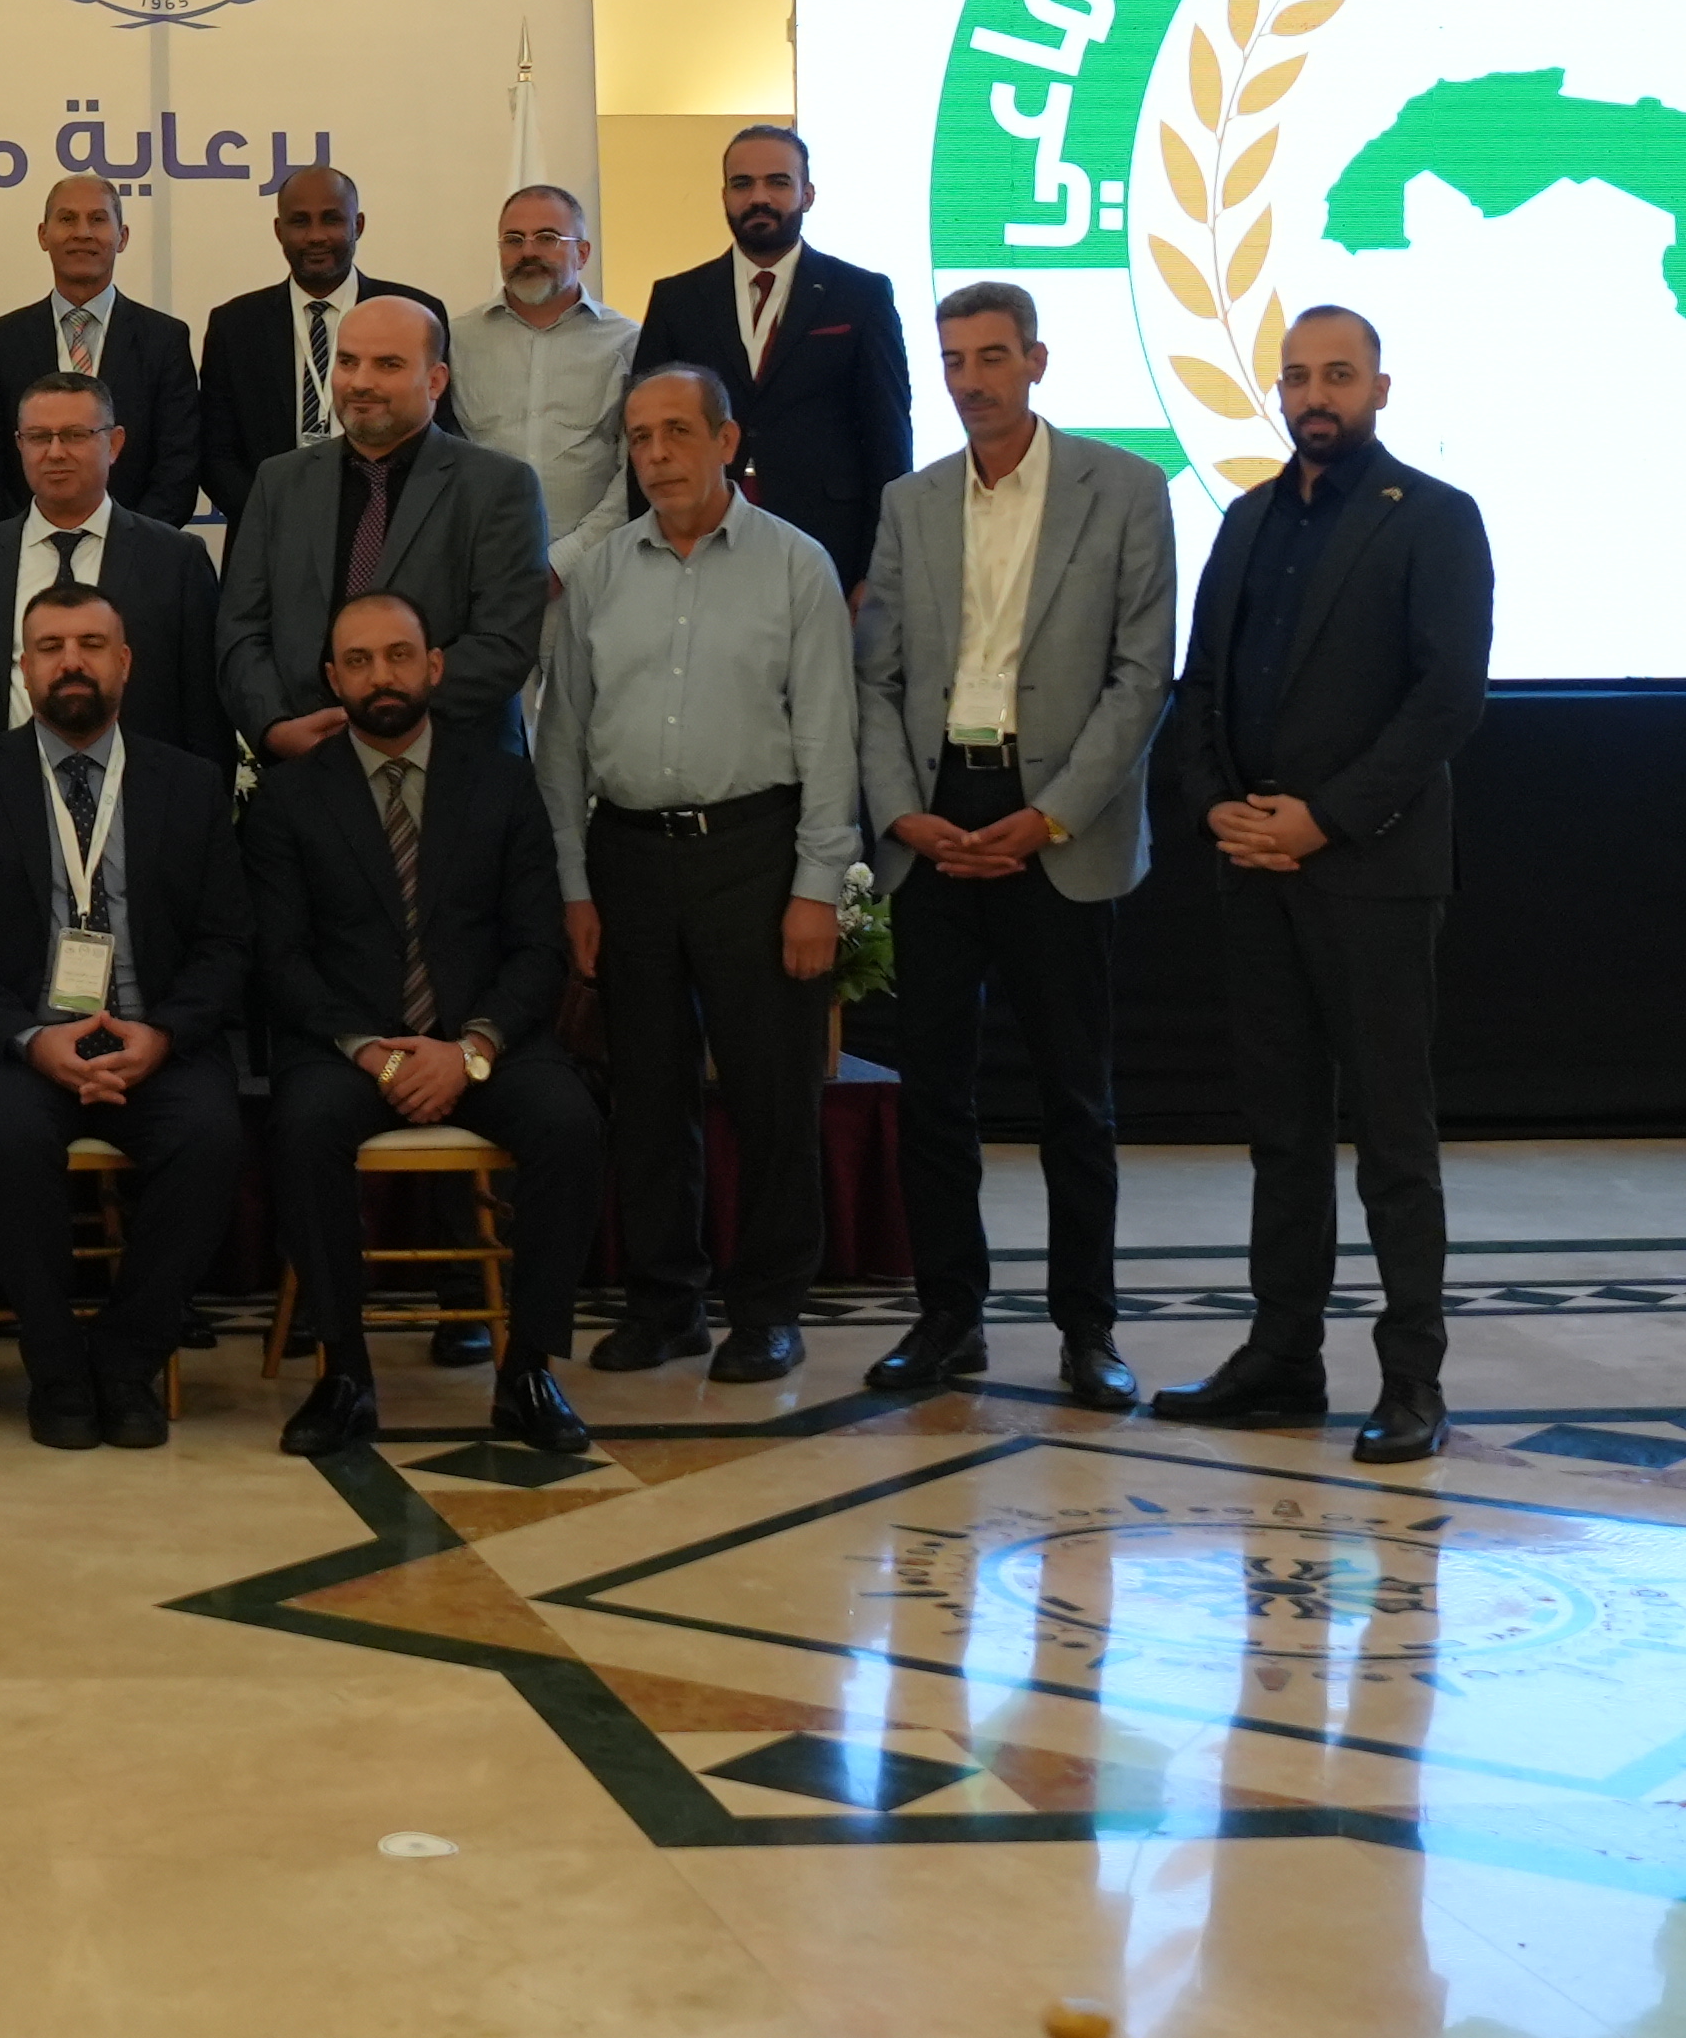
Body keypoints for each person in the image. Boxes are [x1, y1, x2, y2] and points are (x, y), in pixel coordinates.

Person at [1153, 306, 1492, 1465]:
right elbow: (1201, 685)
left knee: (1392, 1136)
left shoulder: (1435, 518)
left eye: (1338, 375)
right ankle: (1283, 1358)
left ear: (1379, 389)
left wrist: (1325, 819)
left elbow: (1446, 699)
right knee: (1283, 1134)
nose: (1315, 395)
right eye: (1297, 376)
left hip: (1373, 873)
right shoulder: (1246, 519)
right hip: (1254, 868)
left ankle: (1412, 1383)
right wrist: (1216, 808)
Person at [853, 284, 1177, 1415]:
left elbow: (1142, 675)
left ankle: (1089, 1330)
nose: (972, 381)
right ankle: (949, 1319)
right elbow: (875, 678)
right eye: (954, 361)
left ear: (1037, 361)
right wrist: (904, 813)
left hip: (1058, 824)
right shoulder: (910, 502)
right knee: (935, 1093)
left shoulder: (1125, 488)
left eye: (993, 357)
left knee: (1074, 1098)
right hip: (937, 817)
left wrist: (1050, 817)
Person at [540, 367, 861, 1389]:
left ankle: (767, 1310)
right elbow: (562, 742)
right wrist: (574, 886)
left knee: (772, 1095)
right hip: (628, 857)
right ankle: (664, 1303)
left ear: (727, 442)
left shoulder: (795, 565)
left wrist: (818, 887)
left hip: (755, 853)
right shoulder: (600, 575)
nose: (656, 455)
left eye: (677, 432)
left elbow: (830, 735)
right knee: (646, 1093)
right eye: (639, 438)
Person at [249, 589, 607, 1460]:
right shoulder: (288, 799)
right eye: (359, 661)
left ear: (434, 666)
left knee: (569, 1123)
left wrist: (471, 1050)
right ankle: (344, 1374)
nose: (382, 676)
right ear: (333, 679)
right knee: (301, 1127)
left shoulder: (503, 783)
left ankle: (528, 1372)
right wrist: (373, 1053)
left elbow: (537, 949)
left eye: (399, 655)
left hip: (484, 1042)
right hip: (347, 1046)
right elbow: (280, 959)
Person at [0, 584, 246, 1452]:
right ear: (23, 669)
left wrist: (162, 1034)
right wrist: (29, 1039)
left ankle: (126, 1363)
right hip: (11, 1042)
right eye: (50, 647)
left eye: (91, 644)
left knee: (210, 1137)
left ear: (125, 663)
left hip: (150, 1037)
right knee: (14, 1140)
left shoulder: (191, 784)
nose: (72, 663)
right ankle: (56, 1368)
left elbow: (227, 944)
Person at [216, 298, 551, 759]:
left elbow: (503, 643)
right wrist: (273, 726)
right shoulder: (279, 482)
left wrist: (374, 721)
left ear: (436, 381)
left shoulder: (499, 486)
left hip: (452, 766)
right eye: (347, 362)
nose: (360, 382)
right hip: (306, 763)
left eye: (387, 364)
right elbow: (241, 631)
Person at [629, 125, 913, 595]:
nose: (758, 197)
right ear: (724, 196)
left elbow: (888, 439)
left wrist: (876, 572)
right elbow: (641, 435)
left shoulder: (861, 296)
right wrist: (644, 561)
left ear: (808, 194)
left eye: (778, 182)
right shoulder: (677, 300)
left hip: (830, 546)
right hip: (697, 542)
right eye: (742, 184)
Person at [0, 370, 223, 767]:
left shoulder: (176, 561)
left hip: (139, 792)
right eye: (38, 437)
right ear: (19, 444)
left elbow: (206, 716)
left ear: (114, 443)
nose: (55, 453)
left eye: (74, 435)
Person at [197, 164, 445, 526]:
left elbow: (438, 431)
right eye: (300, 222)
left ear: (358, 225)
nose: (316, 236)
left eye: (331, 220)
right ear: (279, 230)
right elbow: (216, 453)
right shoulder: (235, 325)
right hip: (268, 532)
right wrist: (277, 519)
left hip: (396, 527)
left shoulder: (414, 313)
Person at [0, 175, 202, 531]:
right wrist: (17, 546)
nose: (82, 233)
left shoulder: (164, 340)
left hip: (135, 550)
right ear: (43, 234)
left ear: (122, 237)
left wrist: (128, 545)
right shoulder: (3, 340)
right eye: (67, 219)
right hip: (23, 551)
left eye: (98, 219)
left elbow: (178, 466)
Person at [447, 183, 639, 557]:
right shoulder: (456, 341)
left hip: (594, 567)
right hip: (478, 562)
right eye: (513, 240)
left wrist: (566, 560)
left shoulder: (628, 343)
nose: (528, 252)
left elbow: (634, 469)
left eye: (547, 238)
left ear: (582, 253)